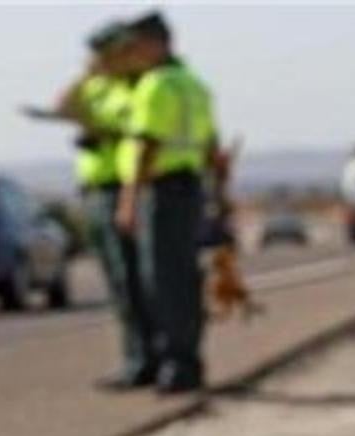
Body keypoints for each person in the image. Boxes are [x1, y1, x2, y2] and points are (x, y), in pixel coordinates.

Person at [114, 12, 217, 394]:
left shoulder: (155, 86)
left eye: (136, 46)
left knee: (162, 280)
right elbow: (210, 145)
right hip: (189, 187)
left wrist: (128, 201)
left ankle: (176, 364)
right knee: (184, 279)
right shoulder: (193, 85)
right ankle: (186, 359)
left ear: (155, 44)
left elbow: (147, 145)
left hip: (162, 190)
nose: (132, 54)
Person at [51, 22, 158, 391]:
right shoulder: (96, 86)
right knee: (118, 281)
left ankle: (145, 360)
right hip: (94, 190)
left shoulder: (132, 89)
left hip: (120, 187)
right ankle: (138, 357)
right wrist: (86, 76)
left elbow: (140, 134)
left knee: (132, 280)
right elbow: (62, 106)